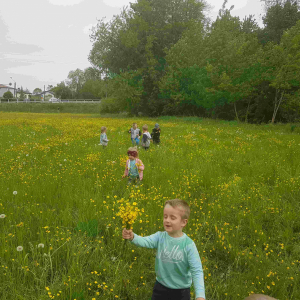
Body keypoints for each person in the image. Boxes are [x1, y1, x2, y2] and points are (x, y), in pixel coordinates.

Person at [122, 199, 206, 300]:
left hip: (181, 291)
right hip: (160, 287)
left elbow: (196, 271)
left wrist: (200, 295)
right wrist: (133, 237)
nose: (167, 220)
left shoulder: (189, 245)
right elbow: (145, 241)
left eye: (172, 218)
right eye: (165, 216)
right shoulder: (160, 237)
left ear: (183, 222)